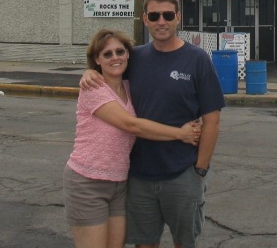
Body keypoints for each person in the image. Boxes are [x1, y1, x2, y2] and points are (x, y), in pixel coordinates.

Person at [80, 0, 226, 248]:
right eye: (155, 15)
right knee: (144, 244)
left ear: (178, 18)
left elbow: (212, 121)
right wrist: (87, 73)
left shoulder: (198, 60)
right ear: (145, 20)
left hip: (182, 173)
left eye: (168, 15)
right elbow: (108, 67)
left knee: (185, 242)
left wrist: (199, 170)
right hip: (138, 176)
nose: (161, 21)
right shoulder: (134, 58)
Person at [64, 28, 201, 248]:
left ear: (129, 54)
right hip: (88, 182)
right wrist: (180, 134)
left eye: (120, 51)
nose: (115, 57)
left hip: (120, 184)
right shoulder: (94, 90)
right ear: (97, 59)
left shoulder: (129, 87)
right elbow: (132, 125)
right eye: (107, 54)